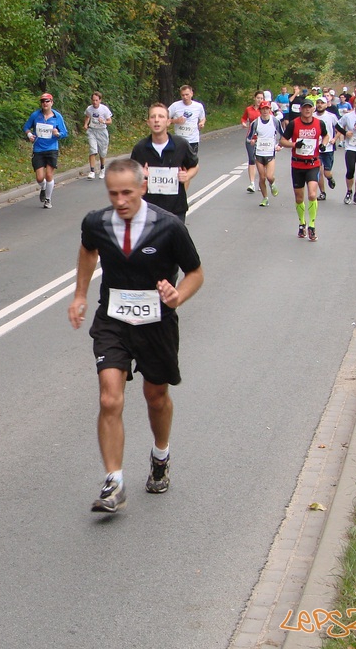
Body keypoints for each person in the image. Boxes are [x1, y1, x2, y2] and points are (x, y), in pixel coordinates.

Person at [68, 158, 204, 512]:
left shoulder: (169, 227)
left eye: (127, 192)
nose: (120, 200)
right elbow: (87, 250)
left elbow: (195, 273)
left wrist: (178, 295)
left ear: (143, 188)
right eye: (113, 193)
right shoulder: (96, 223)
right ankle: (114, 482)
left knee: (155, 396)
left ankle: (161, 455)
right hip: (113, 319)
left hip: (156, 322)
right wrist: (80, 294)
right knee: (109, 398)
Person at [129, 102, 199, 221]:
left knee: (175, 240)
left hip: (176, 210)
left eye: (161, 116)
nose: (157, 120)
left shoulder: (181, 145)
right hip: (148, 211)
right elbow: (130, 177)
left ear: (168, 122)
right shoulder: (140, 148)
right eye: (153, 117)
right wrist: (140, 175)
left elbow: (194, 166)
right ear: (148, 122)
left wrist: (187, 176)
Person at [279, 99, 328, 241]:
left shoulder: (319, 123)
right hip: (297, 165)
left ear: (313, 109)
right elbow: (282, 141)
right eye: (304, 108)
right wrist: (294, 144)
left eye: (309, 108)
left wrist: (323, 144)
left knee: (312, 194)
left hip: (313, 164)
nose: (307, 110)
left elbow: (326, 135)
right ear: (300, 109)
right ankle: (302, 223)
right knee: (299, 197)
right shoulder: (294, 124)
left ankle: (312, 225)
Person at [23, 93, 69, 208]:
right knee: (39, 178)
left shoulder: (57, 117)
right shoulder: (35, 115)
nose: (45, 103)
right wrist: (29, 135)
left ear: (52, 102)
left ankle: (48, 199)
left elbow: (65, 133)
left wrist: (57, 134)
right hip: (38, 149)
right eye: (43, 101)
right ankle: (43, 187)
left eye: (47, 101)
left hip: (52, 149)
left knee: (49, 175)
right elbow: (26, 127)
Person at [246, 100, 282, 206]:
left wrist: (280, 146)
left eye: (267, 108)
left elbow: (283, 135)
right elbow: (248, 137)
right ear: (260, 110)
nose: (265, 111)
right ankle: (265, 198)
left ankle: (272, 184)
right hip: (259, 153)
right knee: (262, 177)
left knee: (270, 176)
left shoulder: (275, 121)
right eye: (263, 109)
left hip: (270, 153)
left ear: (270, 110)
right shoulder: (256, 123)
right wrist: (252, 141)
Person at [167, 85, 207, 165]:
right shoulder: (175, 106)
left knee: (191, 164)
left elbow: (203, 118)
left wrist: (201, 123)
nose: (185, 97)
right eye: (183, 95)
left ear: (191, 93)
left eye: (187, 94)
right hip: (179, 140)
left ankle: (187, 176)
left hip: (193, 140)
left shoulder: (198, 106)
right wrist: (176, 120)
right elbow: (165, 119)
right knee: (178, 163)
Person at [314, 97, 340, 200]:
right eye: (318, 103)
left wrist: (334, 138)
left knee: (326, 172)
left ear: (326, 105)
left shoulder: (331, 116)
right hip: (316, 148)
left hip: (328, 148)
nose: (320, 105)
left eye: (322, 103)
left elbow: (340, 129)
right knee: (318, 171)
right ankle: (322, 192)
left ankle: (330, 178)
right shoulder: (312, 116)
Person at [84, 92, 113, 179]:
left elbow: (110, 121)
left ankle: (102, 168)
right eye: (93, 100)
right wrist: (86, 124)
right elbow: (87, 116)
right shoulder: (89, 109)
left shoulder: (104, 109)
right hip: (92, 131)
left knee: (102, 152)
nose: (95, 102)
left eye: (97, 100)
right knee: (92, 150)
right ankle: (92, 171)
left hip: (102, 131)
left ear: (100, 100)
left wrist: (103, 121)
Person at [240, 92, 265, 193]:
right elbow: (243, 118)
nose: (259, 100)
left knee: (262, 161)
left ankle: (261, 182)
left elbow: (271, 120)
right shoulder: (249, 109)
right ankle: (252, 183)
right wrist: (243, 123)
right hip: (250, 138)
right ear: (254, 98)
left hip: (262, 139)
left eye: (261, 98)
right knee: (251, 159)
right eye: (258, 98)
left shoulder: (265, 110)